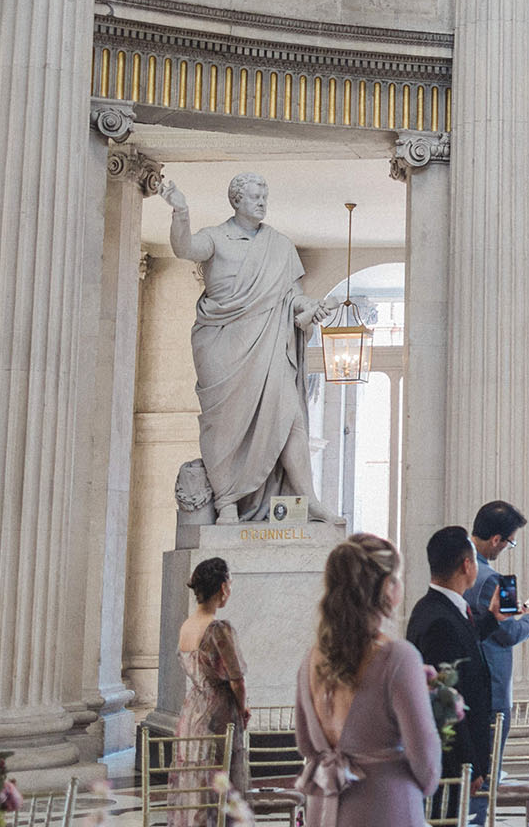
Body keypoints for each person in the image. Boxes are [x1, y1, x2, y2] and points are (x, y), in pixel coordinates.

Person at [162, 172, 343, 524]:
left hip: (268, 344)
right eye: (254, 197)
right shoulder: (216, 237)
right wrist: (180, 212)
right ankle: (227, 500)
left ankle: (309, 500)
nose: (262, 203)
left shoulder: (280, 246)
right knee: (225, 426)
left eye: (265, 196)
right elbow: (185, 249)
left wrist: (311, 307)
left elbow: (292, 299)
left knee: (289, 417)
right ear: (236, 201)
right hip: (222, 344)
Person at [296, 534, 441, 826]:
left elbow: (306, 745)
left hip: (325, 808)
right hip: (385, 807)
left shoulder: (311, 659)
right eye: (397, 578)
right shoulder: (397, 657)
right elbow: (426, 765)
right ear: (388, 587)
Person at [407, 527, 509, 805]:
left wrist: (491, 619)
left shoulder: (438, 608)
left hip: (458, 757)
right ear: (467, 565)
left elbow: (461, 645)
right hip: (453, 762)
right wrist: (468, 762)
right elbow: (443, 698)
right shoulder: (440, 620)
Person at [172, 558, 250, 824]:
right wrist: (243, 709)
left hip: (192, 712)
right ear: (223, 587)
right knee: (219, 781)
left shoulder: (186, 626)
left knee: (195, 780)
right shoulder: (218, 629)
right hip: (219, 714)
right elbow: (236, 680)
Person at [468, 500, 529, 747]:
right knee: (489, 770)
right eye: (510, 542)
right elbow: (509, 633)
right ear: (496, 540)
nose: (507, 547)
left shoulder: (458, 568)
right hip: (492, 686)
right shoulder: (494, 580)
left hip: (465, 683)